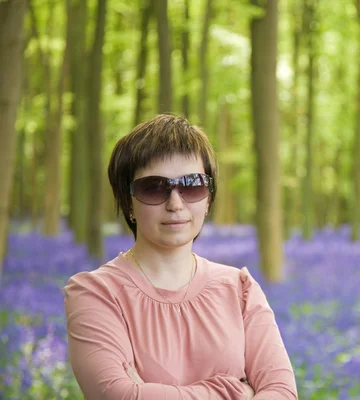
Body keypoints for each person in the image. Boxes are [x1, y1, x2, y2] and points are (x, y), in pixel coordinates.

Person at [63, 114, 298, 399]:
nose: (176, 203)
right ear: (128, 203)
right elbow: (119, 396)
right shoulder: (96, 293)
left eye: (192, 185)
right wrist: (234, 390)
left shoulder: (240, 290)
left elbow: (283, 392)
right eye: (153, 188)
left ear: (208, 198)